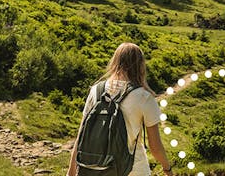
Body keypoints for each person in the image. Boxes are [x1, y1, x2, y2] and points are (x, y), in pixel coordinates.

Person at [67, 43, 173, 176]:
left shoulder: (96, 91)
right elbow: (155, 146)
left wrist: (71, 172)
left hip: (94, 169)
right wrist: (167, 169)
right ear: (140, 66)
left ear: (115, 61)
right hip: (133, 170)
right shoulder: (144, 97)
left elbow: (82, 135)